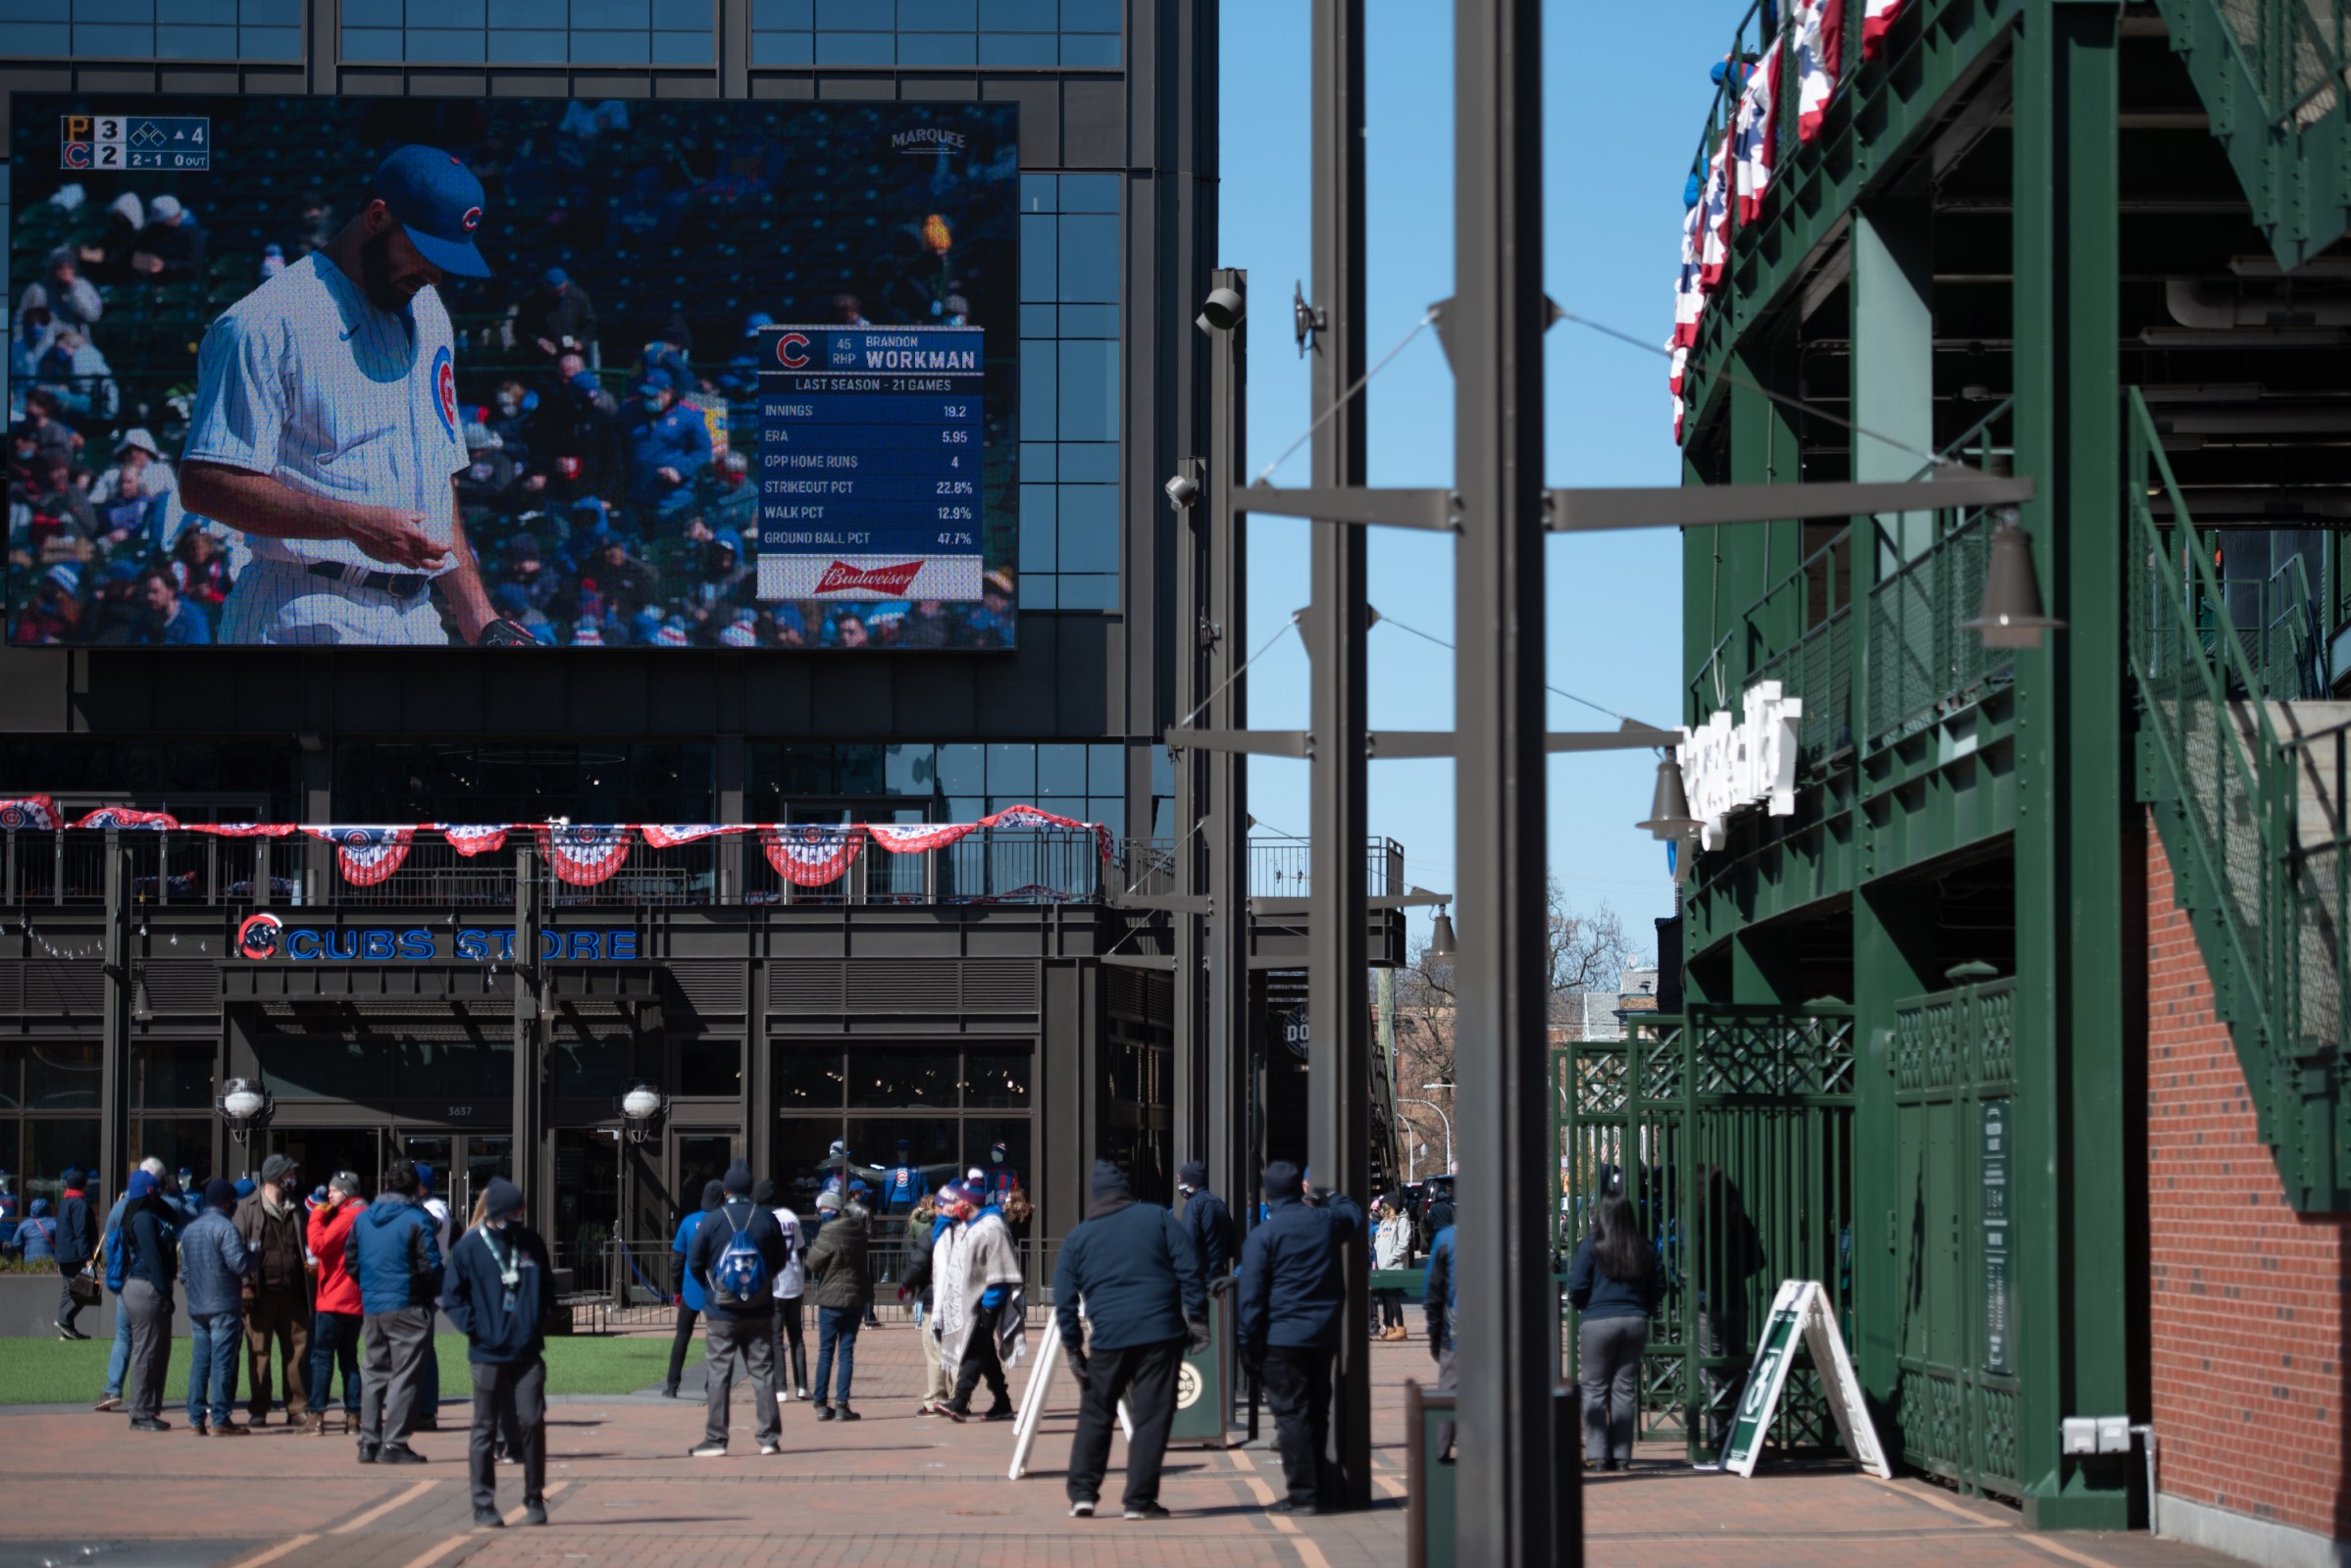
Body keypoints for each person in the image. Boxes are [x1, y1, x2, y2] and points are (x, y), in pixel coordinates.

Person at [177, 146, 526, 649]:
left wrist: (479, 618)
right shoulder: (267, 321)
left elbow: (435, 475)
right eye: (427, 252)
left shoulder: (427, 311)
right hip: (299, 608)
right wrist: (353, 523)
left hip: (415, 613)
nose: (437, 274)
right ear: (378, 217)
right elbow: (205, 483)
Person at [1053, 1160, 1208, 1521]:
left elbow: (1063, 1297)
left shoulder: (1079, 1237)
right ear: (1125, 1191)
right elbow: (1190, 1268)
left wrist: (1073, 1348)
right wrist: (1197, 1318)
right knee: (1152, 1415)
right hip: (1160, 1333)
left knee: (1096, 1413)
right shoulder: (1157, 1218)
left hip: (1109, 1337)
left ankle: (1082, 1493)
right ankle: (1139, 1500)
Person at [1236, 1159, 1364, 1514]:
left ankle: (1303, 1494)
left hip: (1281, 1338)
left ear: (1268, 1195)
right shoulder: (1324, 1223)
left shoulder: (1264, 1235)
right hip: (1322, 1334)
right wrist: (1332, 1196)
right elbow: (1353, 1215)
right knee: (1318, 1409)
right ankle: (1318, 1487)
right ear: (1300, 1189)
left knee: (1292, 1416)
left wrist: (1247, 1343)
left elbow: (1251, 1295)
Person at [442, 1178, 553, 1530]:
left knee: (532, 1420)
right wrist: (475, 1327)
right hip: (487, 1352)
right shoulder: (469, 1248)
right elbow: (452, 1297)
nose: (516, 1219)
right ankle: (483, 1504)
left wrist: (535, 1320)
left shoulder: (531, 1243)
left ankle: (534, 1497)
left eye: (519, 1213)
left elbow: (546, 1287)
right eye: (511, 1213)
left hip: (527, 1351)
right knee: (484, 1427)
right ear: (494, 1214)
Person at [685, 1161, 787, 1457]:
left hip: (721, 1311)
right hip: (760, 1309)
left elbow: (694, 1263)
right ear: (749, 1189)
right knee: (763, 1372)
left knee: (719, 1374)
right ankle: (769, 1437)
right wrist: (760, 1284)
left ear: (726, 1190)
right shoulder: (766, 1219)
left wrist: (714, 1288)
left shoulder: (713, 1220)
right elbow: (780, 1260)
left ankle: (716, 1439)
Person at [350, 1158, 442, 1463]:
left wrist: (369, 1286)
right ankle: (394, 1443)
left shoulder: (363, 1219)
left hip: (374, 1303)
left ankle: (368, 1441)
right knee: (405, 1376)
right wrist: (428, 1296)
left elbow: (351, 1261)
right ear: (415, 1187)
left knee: (374, 1373)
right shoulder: (416, 1219)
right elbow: (431, 1266)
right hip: (407, 1302)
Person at [1569, 1189, 1662, 1472]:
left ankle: (1598, 1453)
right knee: (1624, 1389)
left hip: (1598, 1321)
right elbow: (1660, 1285)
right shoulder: (1643, 1247)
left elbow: (1577, 1286)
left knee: (1594, 1388)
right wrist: (1641, 1307)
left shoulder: (1591, 1246)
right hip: (1634, 1320)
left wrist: (1587, 1306)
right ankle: (1621, 1455)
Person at [932, 1180, 1023, 1423]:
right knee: (985, 1352)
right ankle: (1002, 1403)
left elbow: (1001, 1268)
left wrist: (989, 1305)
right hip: (976, 1300)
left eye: (959, 1200)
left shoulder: (991, 1227)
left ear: (968, 1202)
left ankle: (960, 1401)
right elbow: (937, 1235)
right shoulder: (973, 1225)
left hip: (987, 1301)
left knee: (973, 1350)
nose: (956, 1205)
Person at [234, 1153, 313, 1430]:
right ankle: (259, 1408)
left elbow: (307, 1247)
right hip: (260, 1293)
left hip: (293, 1291)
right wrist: (245, 1285)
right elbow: (237, 1250)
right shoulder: (247, 1208)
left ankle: (297, 1407)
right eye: (288, 1173)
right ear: (276, 1176)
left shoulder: (297, 1208)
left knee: (297, 1351)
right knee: (259, 1352)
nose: (292, 1177)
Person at [179, 1178, 253, 1437]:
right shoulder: (225, 1228)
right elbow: (239, 1265)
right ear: (227, 1202)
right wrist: (254, 1256)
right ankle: (220, 1418)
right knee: (222, 1362)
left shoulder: (190, 1230)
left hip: (198, 1304)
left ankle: (195, 1418)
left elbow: (184, 1273)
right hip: (223, 1303)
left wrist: (194, 1292)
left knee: (200, 1362)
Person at [93, 1157, 170, 1406]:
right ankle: (142, 1404)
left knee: (125, 1336)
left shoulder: (120, 1206)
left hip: (124, 1279)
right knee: (146, 1346)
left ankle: (113, 1389)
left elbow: (108, 1245)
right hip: (142, 1282)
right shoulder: (147, 1213)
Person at [801, 1187, 871, 1421]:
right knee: (846, 1352)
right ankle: (842, 1404)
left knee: (826, 1351)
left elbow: (812, 1262)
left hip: (831, 1298)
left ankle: (821, 1402)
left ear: (833, 1209)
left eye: (823, 1208)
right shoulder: (858, 1230)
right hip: (854, 1298)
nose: (820, 1212)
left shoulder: (828, 1231)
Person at [118, 1168, 179, 1431]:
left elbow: (173, 1216)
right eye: (157, 1189)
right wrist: (164, 1293)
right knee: (147, 1352)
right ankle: (140, 1413)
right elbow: (153, 1256)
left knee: (159, 1352)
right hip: (146, 1289)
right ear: (149, 1193)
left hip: (148, 1287)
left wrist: (158, 1194)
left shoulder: (146, 1212)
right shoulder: (142, 1218)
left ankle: (149, 1410)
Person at [307, 1171, 366, 1434]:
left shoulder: (348, 1216)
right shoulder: (362, 1214)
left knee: (322, 1358)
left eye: (334, 1189)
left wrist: (317, 1215)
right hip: (354, 1300)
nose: (329, 1194)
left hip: (335, 1299)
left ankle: (316, 1416)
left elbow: (318, 1245)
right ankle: (353, 1417)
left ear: (348, 1192)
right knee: (349, 1360)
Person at [618, 379, 711, 522]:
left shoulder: (689, 415)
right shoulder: (630, 409)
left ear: (669, 392)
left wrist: (680, 470)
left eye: (653, 396)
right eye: (645, 396)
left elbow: (703, 452)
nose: (648, 400)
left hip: (671, 501)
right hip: (636, 497)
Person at [663, 1179, 723, 1398]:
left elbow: (677, 1261)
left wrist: (676, 1289)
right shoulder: (723, 1221)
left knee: (682, 1336)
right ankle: (711, 1386)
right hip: (715, 1287)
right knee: (715, 1339)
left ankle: (672, 1386)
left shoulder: (688, 1222)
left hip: (690, 1286)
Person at [898, 1195, 951, 1416]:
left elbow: (918, 1264)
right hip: (959, 1302)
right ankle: (959, 1397)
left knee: (935, 1353)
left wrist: (906, 1286)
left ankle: (936, 1399)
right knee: (955, 1353)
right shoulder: (967, 1232)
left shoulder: (933, 1234)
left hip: (934, 1301)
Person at [757, 1179, 809, 1403]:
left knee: (776, 1338)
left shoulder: (763, 1219)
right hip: (794, 1278)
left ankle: (780, 1387)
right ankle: (802, 1386)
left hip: (775, 1281)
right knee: (796, 1335)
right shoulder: (790, 1216)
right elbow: (801, 1248)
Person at [415, 1164, 453, 1434]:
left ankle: (426, 1411)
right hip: (410, 1287)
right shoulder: (415, 1205)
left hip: (427, 1286)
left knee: (425, 1351)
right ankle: (414, 1407)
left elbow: (435, 1224)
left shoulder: (435, 1206)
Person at [1422, 1198, 1457, 1463]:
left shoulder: (1446, 1238)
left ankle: (1438, 1454)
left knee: (1449, 1389)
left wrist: (1434, 1336)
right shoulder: (1511, 1232)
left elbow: (1433, 1293)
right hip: (1501, 1332)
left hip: (1456, 1329)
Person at [52, 1166, 96, 1340]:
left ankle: (67, 1329)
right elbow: (81, 1232)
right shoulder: (80, 1204)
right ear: (83, 1185)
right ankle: (64, 1321)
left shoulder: (65, 1202)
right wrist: (87, 1257)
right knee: (86, 1290)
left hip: (64, 1254)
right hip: (76, 1255)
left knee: (68, 1290)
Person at [1176, 1161, 1236, 1282]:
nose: (1179, 1186)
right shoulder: (1219, 1204)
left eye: (1182, 1182)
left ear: (1191, 1182)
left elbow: (1187, 1243)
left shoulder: (1194, 1205)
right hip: (1218, 1277)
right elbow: (1231, 1246)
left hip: (1200, 1278)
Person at [1371, 1196, 1412, 1340]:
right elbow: (1378, 1242)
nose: (1382, 1208)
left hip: (1394, 1266)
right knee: (1386, 1298)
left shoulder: (1402, 1221)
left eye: (1385, 1205)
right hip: (1383, 1266)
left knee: (1393, 1297)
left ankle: (1400, 1328)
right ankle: (1390, 1328)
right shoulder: (1384, 1222)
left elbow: (1403, 1245)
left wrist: (1390, 1259)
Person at [877, 1140, 928, 1215]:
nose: (902, 1152)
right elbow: (882, 1189)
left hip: (910, 1203)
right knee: (892, 1226)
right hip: (894, 1203)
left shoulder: (916, 1167)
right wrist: (879, 1207)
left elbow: (925, 1186)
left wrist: (925, 1205)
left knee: (909, 1226)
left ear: (908, 1151)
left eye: (904, 1150)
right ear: (897, 1151)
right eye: (900, 1150)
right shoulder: (890, 1167)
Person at [18, 1198, 58, 1263]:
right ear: (47, 1209)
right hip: (49, 1261)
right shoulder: (54, 1223)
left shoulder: (24, 1224)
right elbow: (63, 1240)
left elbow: (16, 1243)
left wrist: (26, 1249)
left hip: (29, 1261)